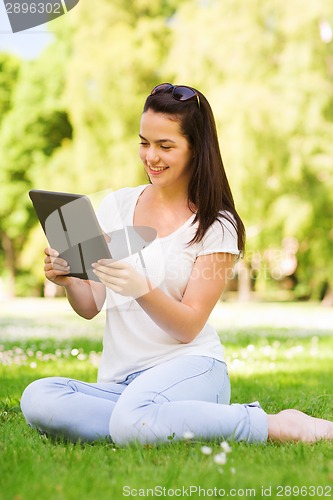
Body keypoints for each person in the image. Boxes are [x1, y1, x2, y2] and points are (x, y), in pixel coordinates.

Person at [21, 83, 333, 445]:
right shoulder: (117, 207)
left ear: (196, 149)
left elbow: (188, 326)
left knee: (131, 421)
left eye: (165, 146)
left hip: (192, 370)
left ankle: (276, 425)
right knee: (39, 398)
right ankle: (143, 421)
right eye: (144, 143)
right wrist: (71, 282)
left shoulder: (216, 225)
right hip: (121, 383)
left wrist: (141, 288)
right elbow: (91, 306)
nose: (150, 156)